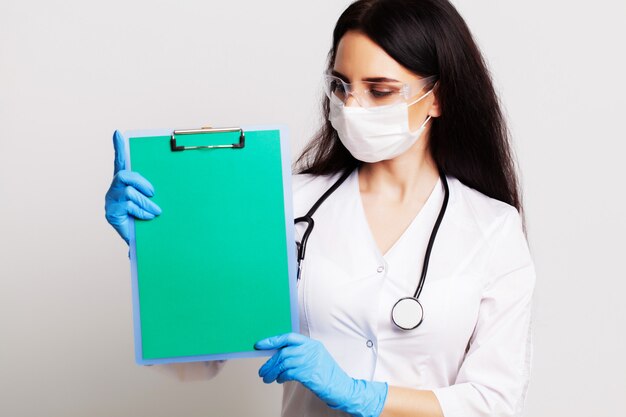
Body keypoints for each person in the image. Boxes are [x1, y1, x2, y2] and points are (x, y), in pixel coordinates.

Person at [105, 0, 535, 416]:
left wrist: (365, 396)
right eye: (341, 86)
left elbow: (495, 402)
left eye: (379, 90)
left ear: (438, 98)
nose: (351, 107)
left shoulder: (492, 228)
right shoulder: (285, 202)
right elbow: (196, 361)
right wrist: (159, 253)